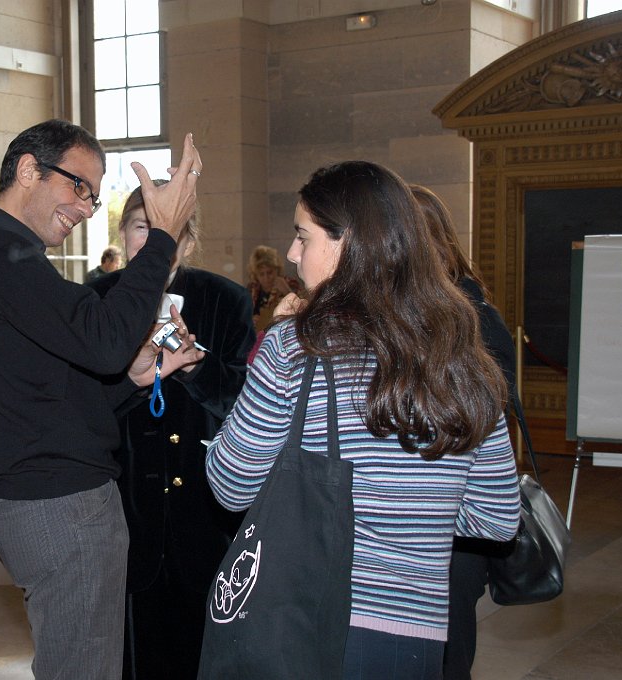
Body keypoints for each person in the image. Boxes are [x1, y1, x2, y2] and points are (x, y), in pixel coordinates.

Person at [205, 161, 521, 679]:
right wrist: (415, 512)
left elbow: (230, 485)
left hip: (310, 621)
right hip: (416, 637)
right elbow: (496, 517)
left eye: (303, 236)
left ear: (347, 243)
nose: (292, 253)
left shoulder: (294, 347)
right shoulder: (463, 355)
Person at [0, 119, 205, 680]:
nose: (85, 208)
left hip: (50, 504)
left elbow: (49, 395)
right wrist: (162, 236)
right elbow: (104, 341)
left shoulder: (1, 255)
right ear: (28, 170)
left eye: (93, 196)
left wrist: (134, 377)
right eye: (78, 186)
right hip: (59, 510)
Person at [88, 184, 256, 680]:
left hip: (203, 510)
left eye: (170, 230)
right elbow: (80, 403)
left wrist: (196, 367)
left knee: (202, 652)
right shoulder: (93, 301)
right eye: (143, 227)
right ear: (123, 233)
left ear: (190, 240)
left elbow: (245, 402)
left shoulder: (225, 300)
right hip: (122, 506)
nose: (154, 240)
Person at [411, 184, 518, 680]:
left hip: (456, 530)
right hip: (408, 529)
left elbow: (486, 418)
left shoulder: (475, 319)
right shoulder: (403, 316)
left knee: (447, 658)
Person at [246, 245, 295, 331]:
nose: (266, 278)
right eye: (261, 274)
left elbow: (303, 310)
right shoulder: (252, 289)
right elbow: (242, 316)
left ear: (277, 269)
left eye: (269, 272)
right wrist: (250, 320)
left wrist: (287, 291)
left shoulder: (290, 283)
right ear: (255, 275)